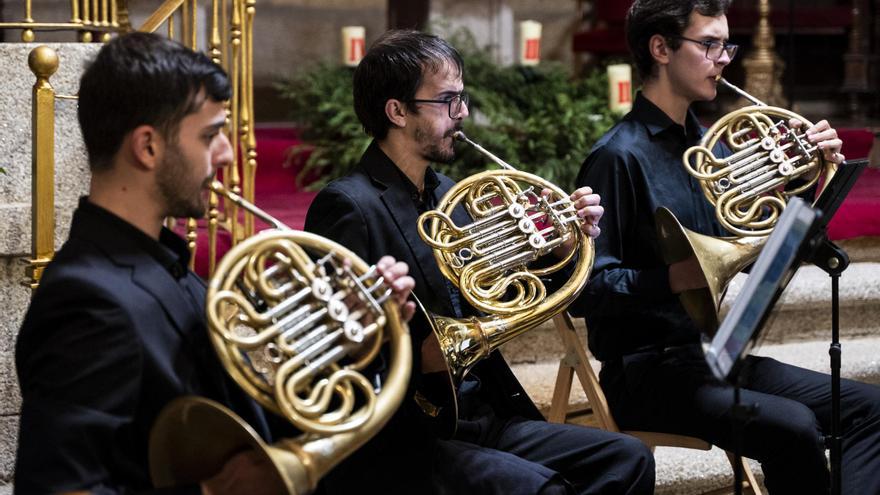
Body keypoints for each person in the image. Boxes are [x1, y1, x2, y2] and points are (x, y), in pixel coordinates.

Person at [14, 32, 416, 495]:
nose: (226, 153)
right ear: (147, 147)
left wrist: (348, 335)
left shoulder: (164, 265)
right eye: (210, 135)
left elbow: (236, 400)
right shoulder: (87, 302)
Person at [304, 29, 655, 495]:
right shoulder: (348, 205)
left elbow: (509, 288)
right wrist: (413, 359)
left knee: (626, 458)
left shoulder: (450, 193)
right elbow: (328, 351)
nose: (463, 113)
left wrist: (561, 248)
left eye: (462, 98)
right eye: (448, 100)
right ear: (398, 111)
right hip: (411, 432)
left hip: (483, 414)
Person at [574, 1, 880, 494]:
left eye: (726, 45)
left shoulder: (711, 152)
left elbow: (766, 249)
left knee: (869, 409)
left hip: (714, 355)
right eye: (709, 44)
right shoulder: (616, 157)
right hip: (647, 371)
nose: (724, 59)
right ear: (661, 49)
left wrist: (806, 181)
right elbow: (588, 290)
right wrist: (673, 278)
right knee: (795, 426)